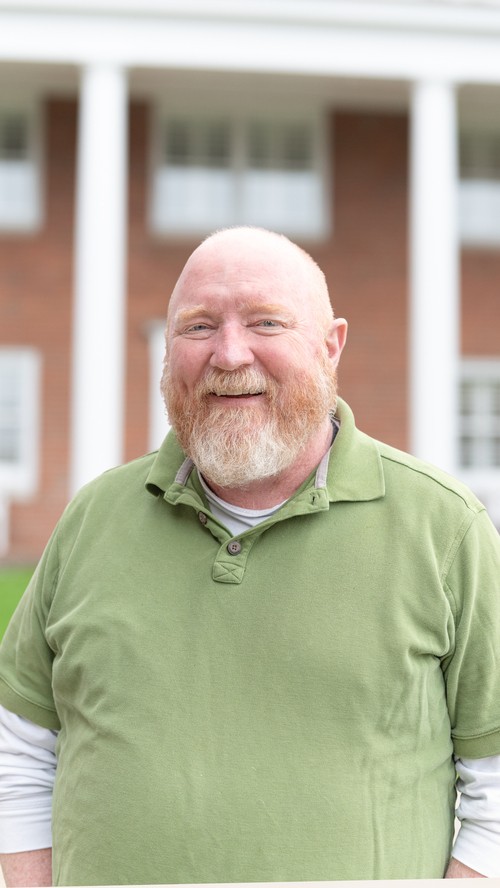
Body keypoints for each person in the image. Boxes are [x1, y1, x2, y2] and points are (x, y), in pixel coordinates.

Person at [0, 226, 499, 886]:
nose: (230, 354)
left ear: (331, 345)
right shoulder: (93, 520)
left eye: (266, 322)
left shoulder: (444, 527)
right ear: (167, 349)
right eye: (199, 326)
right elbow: (18, 747)